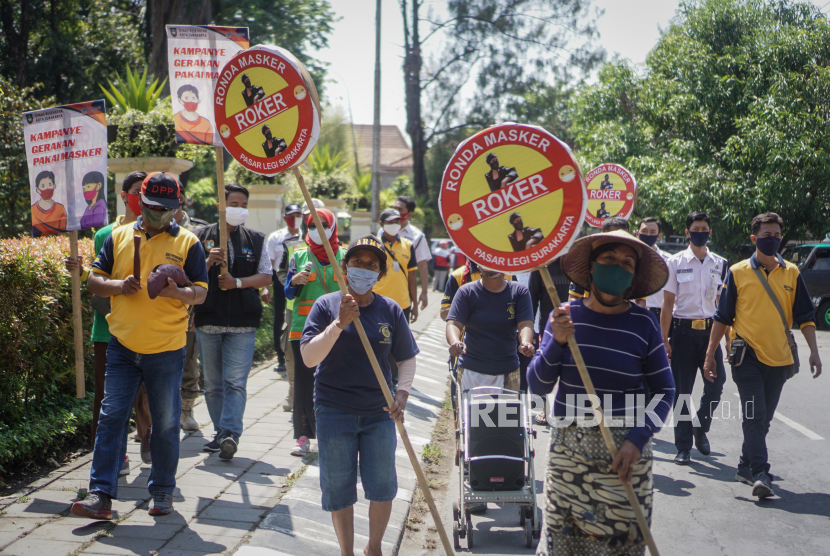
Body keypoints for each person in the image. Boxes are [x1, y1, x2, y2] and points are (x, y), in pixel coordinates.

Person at [527, 230, 675, 556]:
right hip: (570, 459)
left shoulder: (644, 324)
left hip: (624, 461)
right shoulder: (565, 317)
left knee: (620, 548)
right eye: (609, 259)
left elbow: (665, 390)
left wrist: (637, 440)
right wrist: (556, 343)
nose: (617, 267)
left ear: (634, 276)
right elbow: (537, 386)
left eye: (626, 263)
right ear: (592, 266)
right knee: (563, 545)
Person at [71, 172, 208, 520]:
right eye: (152, 207)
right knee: (111, 417)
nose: (159, 214)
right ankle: (100, 494)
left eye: (167, 209)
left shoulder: (189, 243)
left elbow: (202, 291)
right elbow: (94, 280)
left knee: (164, 423)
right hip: (121, 345)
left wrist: (179, 292)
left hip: (166, 348)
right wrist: (119, 286)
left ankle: (162, 491)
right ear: (139, 202)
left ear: (177, 206)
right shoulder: (117, 236)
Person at [300, 235, 419, 556]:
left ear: (380, 275)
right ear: (344, 267)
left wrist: (403, 394)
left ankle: (375, 548)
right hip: (334, 410)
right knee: (339, 487)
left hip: (380, 411)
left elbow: (407, 358)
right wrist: (339, 324)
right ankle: (347, 552)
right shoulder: (326, 305)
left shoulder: (390, 310)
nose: (363, 270)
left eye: (371, 265)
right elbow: (310, 358)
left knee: (382, 486)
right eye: (357, 263)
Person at [704, 212, 822, 499]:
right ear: (754, 238)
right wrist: (710, 355)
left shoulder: (792, 272)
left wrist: (815, 353)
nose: (773, 240)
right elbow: (722, 317)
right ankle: (760, 473)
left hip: (780, 358)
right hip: (747, 357)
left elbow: (805, 315)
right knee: (754, 417)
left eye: (777, 235)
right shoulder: (738, 272)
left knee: (763, 419)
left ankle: (745, 465)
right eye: (767, 235)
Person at [64, 170, 151, 471]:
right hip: (109, 331)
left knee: (146, 395)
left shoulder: (163, 233)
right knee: (108, 399)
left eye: (146, 190)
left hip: (149, 331)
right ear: (124, 195)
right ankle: (115, 457)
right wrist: (78, 268)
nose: (141, 196)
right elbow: (96, 278)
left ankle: (148, 436)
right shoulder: (105, 235)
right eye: (136, 190)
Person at [194, 184, 272, 460]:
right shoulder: (199, 237)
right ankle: (220, 432)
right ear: (220, 206)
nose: (239, 209)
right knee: (213, 383)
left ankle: (230, 432)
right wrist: (207, 262)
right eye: (233, 203)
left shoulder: (256, 240)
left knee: (235, 381)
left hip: (243, 321)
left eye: (243, 204)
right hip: (209, 319)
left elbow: (265, 276)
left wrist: (237, 282)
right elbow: (187, 276)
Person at [660, 211, 728, 465]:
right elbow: (667, 305)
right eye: (695, 228)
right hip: (683, 332)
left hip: (710, 333)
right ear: (687, 233)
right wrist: (664, 339)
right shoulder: (675, 262)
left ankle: (701, 425)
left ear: (710, 232)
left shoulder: (720, 263)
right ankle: (683, 446)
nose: (701, 231)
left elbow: (723, 304)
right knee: (682, 392)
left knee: (717, 383)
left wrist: (728, 338)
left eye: (705, 228)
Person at [285, 208, 346, 457]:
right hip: (303, 331)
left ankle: (337, 433)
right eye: (312, 225)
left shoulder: (344, 256)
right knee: (303, 385)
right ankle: (303, 436)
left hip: (339, 329)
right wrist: (294, 282)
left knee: (338, 382)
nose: (316, 229)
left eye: (322, 224)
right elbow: (288, 294)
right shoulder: (299, 256)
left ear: (332, 226)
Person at [446, 265, 535, 393]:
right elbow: (453, 323)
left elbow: (525, 324)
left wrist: (525, 342)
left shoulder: (519, 291)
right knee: (470, 413)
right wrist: (455, 341)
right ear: (478, 265)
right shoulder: (466, 292)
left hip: (508, 372)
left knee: (505, 413)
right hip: (471, 371)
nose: (492, 267)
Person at [527, 258, 571, 424]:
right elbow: (531, 299)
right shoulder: (540, 265)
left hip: (576, 326)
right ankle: (545, 409)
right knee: (547, 368)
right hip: (548, 328)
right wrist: (529, 330)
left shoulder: (576, 262)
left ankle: (567, 410)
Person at [264, 203, 303, 375]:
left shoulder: (308, 235)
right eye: (291, 216)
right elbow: (269, 264)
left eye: (298, 216)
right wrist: (266, 288)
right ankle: (281, 358)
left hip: (304, 283)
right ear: (285, 217)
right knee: (280, 320)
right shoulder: (276, 237)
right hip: (281, 284)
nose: (295, 219)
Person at [373, 209, 418, 322]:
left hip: (402, 303)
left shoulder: (408, 245)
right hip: (378, 301)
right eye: (390, 222)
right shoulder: (374, 245)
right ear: (381, 224)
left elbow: (412, 276)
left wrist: (415, 305)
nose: (394, 225)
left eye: (397, 222)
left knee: (400, 339)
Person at [394, 196, 431, 312]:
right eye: (394, 208)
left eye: (399, 209)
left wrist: (424, 293)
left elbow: (422, 266)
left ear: (409, 214)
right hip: (382, 291)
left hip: (404, 293)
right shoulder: (382, 231)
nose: (395, 212)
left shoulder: (417, 236)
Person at [636, 217, 670, 321]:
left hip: (659, 315)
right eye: (644, 231)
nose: (648, 235)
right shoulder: (629, 258)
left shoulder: (668, 260)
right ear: (637, 233)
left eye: (652, 232)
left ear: (659, 235)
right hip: (634, 311)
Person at [31, 170, 67, 237]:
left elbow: (63, 232)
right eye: (43, 186)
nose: (47, 188)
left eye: (50, 185)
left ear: (54, 186)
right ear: (38, 189)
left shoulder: (60, 208)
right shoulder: (33, 210)